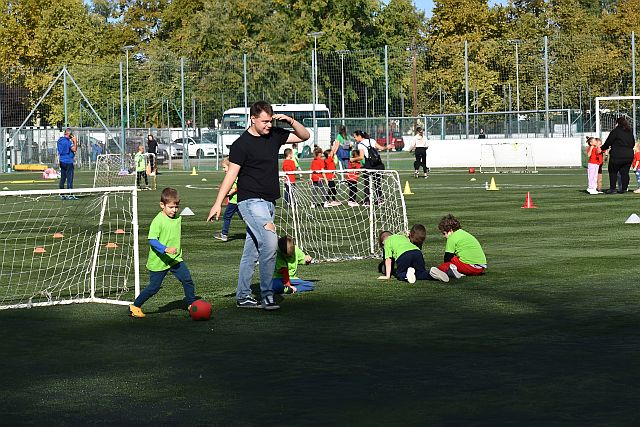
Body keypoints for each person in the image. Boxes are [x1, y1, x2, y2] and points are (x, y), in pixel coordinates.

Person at [206, 101, 310, 310]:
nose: (268, 125)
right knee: (271, 242)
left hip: (269, 203)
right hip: (250, 202)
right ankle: (267, 295)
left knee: (251, 253)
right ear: (253, 119)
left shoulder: (274, 135)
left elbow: (304, 136)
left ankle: (243, 296)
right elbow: (231, 175)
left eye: (270, 121)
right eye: (264, 121)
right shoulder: (241, 144)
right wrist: (218, 203)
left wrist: (289, 120)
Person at [129, 188, 197, 318]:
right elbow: (152, 240)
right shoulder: (158, 221)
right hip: (159, 261)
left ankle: (191, 303)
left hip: (175, 259)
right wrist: (165, 249)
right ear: (162, 205)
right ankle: (135, 305)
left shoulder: (177, 217)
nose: (174, 210)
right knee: (154, 288)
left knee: (187, 280)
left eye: (176, 207)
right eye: (171, 207)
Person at [377, 230, 449, 283]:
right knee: (420, 273)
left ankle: (406, 275)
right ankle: (431, 273)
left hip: (403, 255)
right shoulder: (402, 237)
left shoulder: (387, 242)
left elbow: (388, 260)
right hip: (417, 252)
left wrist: (387, 276)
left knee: (399, 273)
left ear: (383, 242)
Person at [436, 214, 487, 279]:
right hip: (480, 268)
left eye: (444, 233)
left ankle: (452, 272)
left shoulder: (452, 238)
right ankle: (457, 272)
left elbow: (447, 258)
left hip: (470, 268)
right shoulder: (463, 233)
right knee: (456, 259)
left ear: (450, 230)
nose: (444, 236)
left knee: (445, 265)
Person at [351, 130, 390, 205]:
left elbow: (361, 157)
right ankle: (380, 199)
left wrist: (353, 159)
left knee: (367, 182)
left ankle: (367, 200)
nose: (355, 139)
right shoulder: (371, 140)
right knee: (377, 182)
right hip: (378, 163)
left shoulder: (360, 144)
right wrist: (387, 147)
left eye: (355, 137)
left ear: (359, 136)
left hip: (369, 164)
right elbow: (381, 148)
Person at [601, 117, 635, 194]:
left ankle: (613, 188)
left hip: (617, 155)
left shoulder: (615, 131)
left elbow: (608, 142)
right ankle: (624, 189)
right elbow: (632, 143)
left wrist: (602, 148)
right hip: (629, 155)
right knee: (625, 172)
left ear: (617, 123)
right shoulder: (629, 131)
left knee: (613, 171)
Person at [214, 157, 242, 242]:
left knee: (226, 216)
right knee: (245, 218)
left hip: (236, 201)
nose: (223, 169)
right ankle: (256, 231)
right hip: (235, 201)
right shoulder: (231, 176)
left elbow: (241, 185)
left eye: (224, 167)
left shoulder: (236, 176)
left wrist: (233, 190)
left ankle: (224, 234)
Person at [57, 128, 77, 199]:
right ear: (69, 134)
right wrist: (75, 141)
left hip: (61, 160)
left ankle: (61, 194)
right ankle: (70, 194)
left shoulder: (60, 140)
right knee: (70, 178)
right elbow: (74, 149)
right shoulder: (68, 142)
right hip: (68, 161)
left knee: (63, 178)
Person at [323, 141, 340, 206]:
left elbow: (334, 152)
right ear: (328, 155)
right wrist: (334, 145)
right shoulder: (328, 160)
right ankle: (330, 200)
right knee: (332, 189)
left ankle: (330, 200)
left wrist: (336, 145)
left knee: (332, 189)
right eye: (330, 154)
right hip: (329, 177)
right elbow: (332, 152)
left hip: (331, 176)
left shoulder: (329, 159)